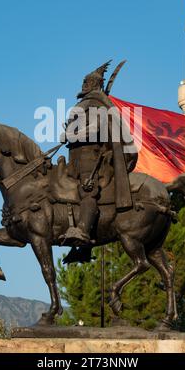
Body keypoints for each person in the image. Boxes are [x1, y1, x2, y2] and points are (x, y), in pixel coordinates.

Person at [59, 61, 138, 246]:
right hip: (76, 158)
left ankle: (83, 232)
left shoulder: (96, 103)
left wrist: (70, 134)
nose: (84, 84)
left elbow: (96, 128)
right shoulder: (87, 103)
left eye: (88, 82)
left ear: (95, 85)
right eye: (84, 81)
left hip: (91, 159)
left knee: (88, 190)